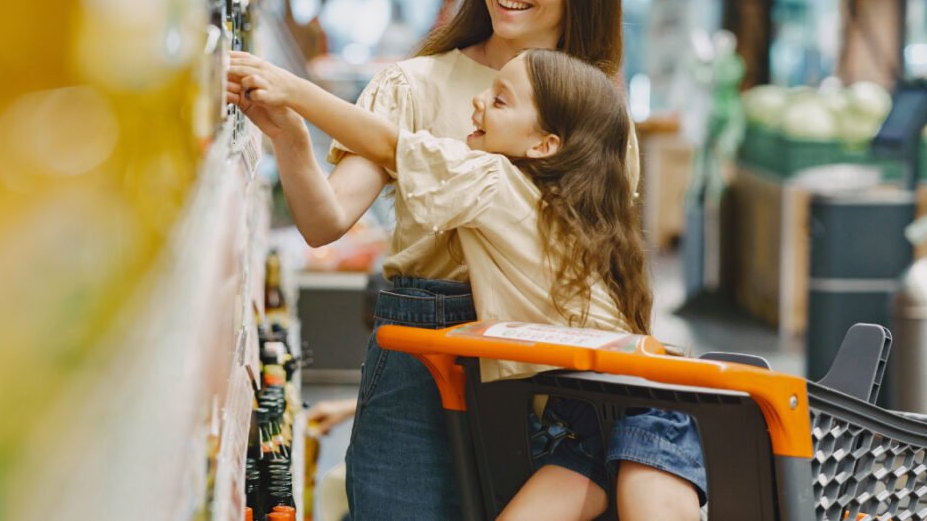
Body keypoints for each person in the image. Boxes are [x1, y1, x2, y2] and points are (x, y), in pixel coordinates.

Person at [227, 46, 706, 521]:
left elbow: (390, 143)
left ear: (543, 144)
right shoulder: (574, 208)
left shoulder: (497, 182)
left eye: (500, 100)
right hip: (584, 422)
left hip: (642, 416)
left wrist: (291, 89)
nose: (477, 101)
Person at [249, 0, 641, 518]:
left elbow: (605, 254)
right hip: (421, 355)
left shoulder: (597, 109)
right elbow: (325, 219)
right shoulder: (415, 82)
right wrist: (289, 138)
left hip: (554, 375)